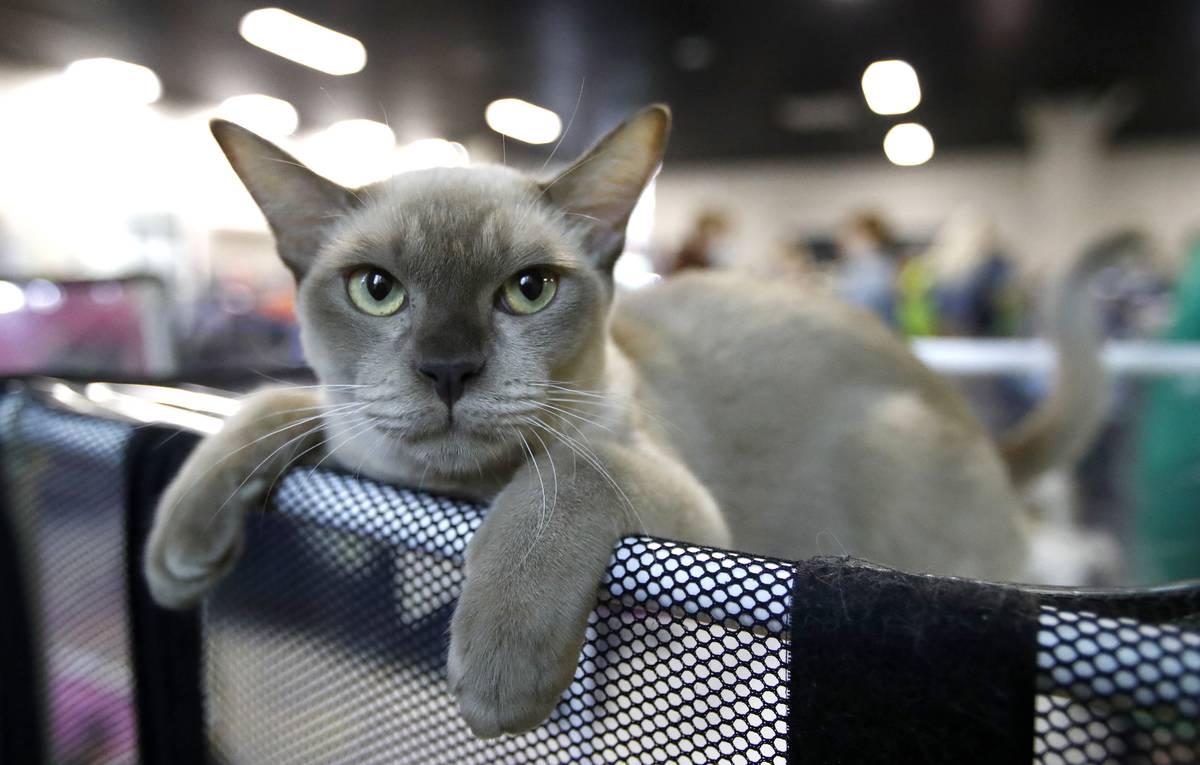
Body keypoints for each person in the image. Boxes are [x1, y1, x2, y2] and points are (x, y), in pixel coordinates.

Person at [835, 211, 899, 324]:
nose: (845, 242)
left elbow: (862, 306)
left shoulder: (881, 269)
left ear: (873, 238)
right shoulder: (852, 266)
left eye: (854, 236)